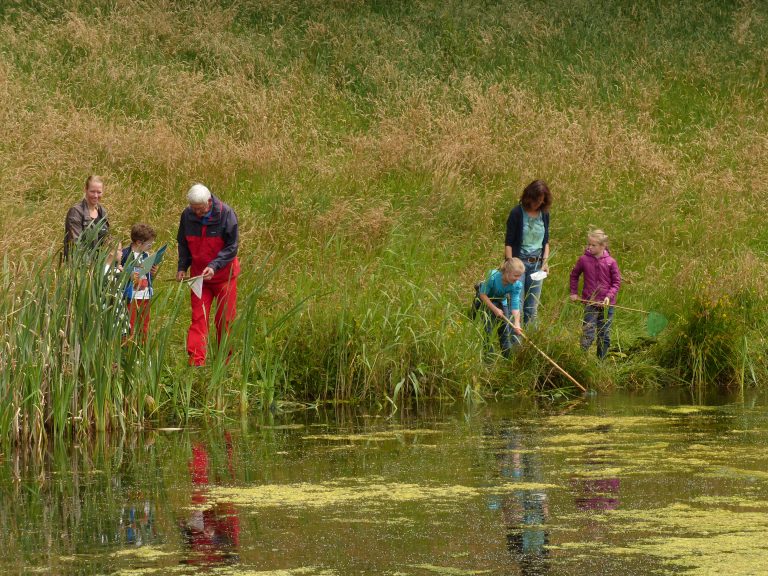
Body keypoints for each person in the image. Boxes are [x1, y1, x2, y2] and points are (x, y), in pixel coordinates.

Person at [176, 184, 240, 366]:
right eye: (193, 209)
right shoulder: (187, 215)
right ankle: (196, 363)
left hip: (224, 278)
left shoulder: (226, 214)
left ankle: (224, 363)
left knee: (225, 320)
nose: (196, 213)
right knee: (198, 319)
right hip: (198, 278)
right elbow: (183, 243)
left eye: (200, 209)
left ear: (209, 202)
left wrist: (214, 266)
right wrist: (182, 267)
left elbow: (232, 247)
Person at [504, 180, 552, 325]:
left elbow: (546, 241)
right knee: (517, 306)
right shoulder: (517, 213)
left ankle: (530, 342)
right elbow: (509, 243)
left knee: (532, 308)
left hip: (537, 263)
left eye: (542, 201)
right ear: (529, 197)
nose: (538, 204)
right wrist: (510, 264)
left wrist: (545, 262)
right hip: (519, 263)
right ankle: (514, 342)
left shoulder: (544, 214)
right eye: (536, 200)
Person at [569, 229, 621, 359]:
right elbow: (574, 275)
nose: (589, 247)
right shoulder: (583, 260)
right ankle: (581, 359)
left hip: (607, 305)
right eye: (589, 244)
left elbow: (616, 282)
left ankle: (600, 362)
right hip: (590, 303)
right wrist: (574, 292)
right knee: (588, 333)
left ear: (603, 246)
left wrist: (608, 297)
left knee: (604, 334)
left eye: (593, 245)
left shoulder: (611, 262)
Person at [477, 258, 524, 358]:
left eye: (520, 276)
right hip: (486, 301)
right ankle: (488, 359)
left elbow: (515, 304)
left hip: (502, 302)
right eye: (515, 275)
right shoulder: (493, 276)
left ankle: (508, 359)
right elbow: (483, 294)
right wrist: (495, 309)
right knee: (488, 331)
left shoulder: (516, 285)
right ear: (507, 272)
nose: (518, 278)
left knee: (505, 332)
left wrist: (516, 322)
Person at [121, 224, 158, 341]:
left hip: (145, 295)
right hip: (131, 297)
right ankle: (127, 351)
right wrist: (128, 274)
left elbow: (148, 276)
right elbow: (118, 271)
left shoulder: (146, 255)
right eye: (149, 244)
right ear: (138, 242)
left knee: (144, 326)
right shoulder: (125, 254)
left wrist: (152, 273)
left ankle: (141, 351)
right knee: (129, 326)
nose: (150, 246)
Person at [63, 175, 110, 260]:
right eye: (92, 191)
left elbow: (106, 241)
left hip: (99, 265)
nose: (96, 196)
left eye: (99, 192)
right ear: (85, 190)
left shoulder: (103, 212)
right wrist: (89, 268)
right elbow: (76, 244)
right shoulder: (76, 212)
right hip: (80, 266)